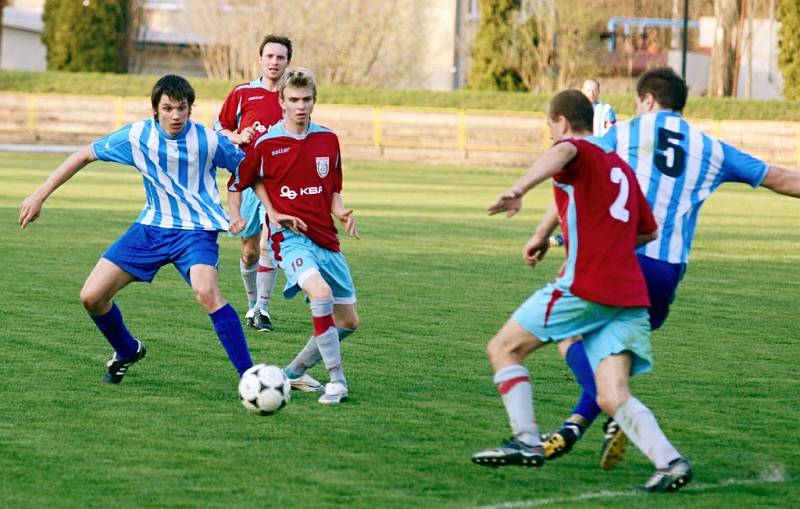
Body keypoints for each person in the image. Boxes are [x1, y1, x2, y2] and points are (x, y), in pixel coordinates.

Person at [540, 67, 800, 469]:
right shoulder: (711, 147)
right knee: (611, 357)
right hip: (666, 275)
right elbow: (780, 177)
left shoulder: (625, 132)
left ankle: (618, 417)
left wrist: (548, 232)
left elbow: (577, 166)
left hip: (620, 258)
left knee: (566, 333)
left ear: (647, 100)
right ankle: (574, 426)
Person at [470, 89, 692, 493]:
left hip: (587, 285)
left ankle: (526, 441)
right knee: (612, 394)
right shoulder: (618, 166)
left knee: (503, 348)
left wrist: (519, 188)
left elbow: (563, 153)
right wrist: (591, 241)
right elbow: (649, 230)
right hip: (629, 293)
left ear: (561, 123)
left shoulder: (573, 147)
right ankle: (670, 462)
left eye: (550, 128)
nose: (552, 137)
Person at [18, 75, 255, 384]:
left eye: (181, 108)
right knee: (92, 296)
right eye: (168, 108)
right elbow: (83, 154)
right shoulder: (137, 136)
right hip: (151, 229)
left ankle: (249, 376)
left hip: (196, 231)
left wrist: (249, 211)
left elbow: (247, 169)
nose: (175, 116)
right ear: (155, 109)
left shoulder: (209, 140)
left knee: (207, 291)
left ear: (190, 109)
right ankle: (127, 350)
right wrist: (38, 196)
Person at [227, 68, 360, 405]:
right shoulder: (266, 142)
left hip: (326, 238)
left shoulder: (328, 140)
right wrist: (259, 213)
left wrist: (341, 211)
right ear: (282, 101)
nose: (301, 106)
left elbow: (332, 189)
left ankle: (292, 373)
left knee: (349, 322)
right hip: (289, 239)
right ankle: (337, 380)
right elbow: (240, 180)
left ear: (314, 101)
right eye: (294, 100)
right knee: (321, 293)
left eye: (307, 99)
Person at [216, 34, 293, 333]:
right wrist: (237, 136)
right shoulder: (243, 93)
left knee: (268, 245)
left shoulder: (290, 97)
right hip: (247, 179)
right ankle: (251, 305)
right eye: (270, 56)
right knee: (249, 250)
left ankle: (262, 309)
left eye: (280, 57)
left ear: (288, 62)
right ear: (260, 59)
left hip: (278, 183)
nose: (274, 62)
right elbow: (219, 128)